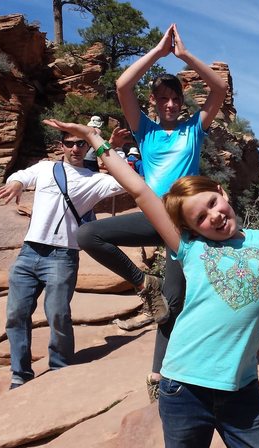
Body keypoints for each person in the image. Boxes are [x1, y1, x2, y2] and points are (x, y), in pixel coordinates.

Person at [43, 118, 259, 448]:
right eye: (200, 218)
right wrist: (95, 139)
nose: (212, 217)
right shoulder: (188, 247)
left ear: (222, 191)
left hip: (242, 391)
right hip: (183, 387)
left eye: (212, 204)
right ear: (191, 229)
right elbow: (140, 190)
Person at [76, 23, 228, 400]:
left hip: (184, 224)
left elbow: (219, 90)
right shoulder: (144, 130)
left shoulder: (194, 128)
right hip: (151, 215)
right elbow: (123, 86)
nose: (170, 104)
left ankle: (159, 377)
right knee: (87, 235)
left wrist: (185, 56)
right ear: (154, 103)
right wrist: (158, 53)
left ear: (182, 101)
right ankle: (146, 284)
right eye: (162, 99)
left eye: (175, 98)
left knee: (172, 304)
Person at [0, 131, 125, 389]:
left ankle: (60, 367)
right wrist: (17, 184)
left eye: (81, 144)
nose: (75, 148)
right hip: (29, 252)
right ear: (60, 145)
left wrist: (112, 149)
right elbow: (20, 176)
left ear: (88, 146)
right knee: (16, 314)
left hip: (62, 255)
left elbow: (124, 182)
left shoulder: (95, 180)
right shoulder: (45, 168)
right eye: (69, 143)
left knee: (57, 314)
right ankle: (20, 374)